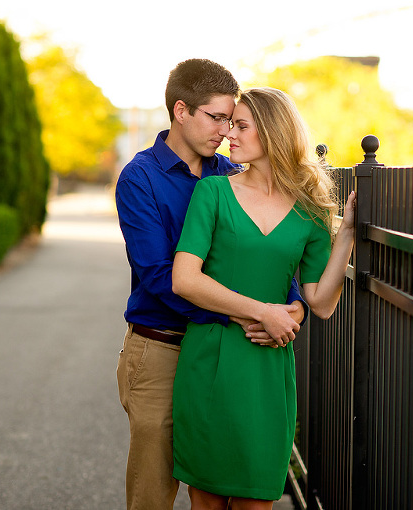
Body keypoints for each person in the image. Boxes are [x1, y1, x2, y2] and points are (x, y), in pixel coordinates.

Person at [115, 61, 307, 510]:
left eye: (231, 119)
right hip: (163, 348)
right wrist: (248, 314)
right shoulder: (139, 178)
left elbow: (265, 257)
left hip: (228, 353)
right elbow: (161, 277)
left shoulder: (229, 174)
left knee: (221, 482)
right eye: (216, 117)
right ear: (181, 111)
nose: (226, 130)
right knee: (155, 492)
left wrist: (292, 305)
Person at [171, 87, 356, 510]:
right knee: (208, 502)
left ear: (271, 132)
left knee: (258, 500)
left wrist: (345, 234)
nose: (228, 135)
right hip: (211, 363)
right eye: (228, 123)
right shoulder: (213, 193)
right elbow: (184, 279)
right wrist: (263, 311)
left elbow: (321, 302)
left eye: (240, 125)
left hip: (267, 372)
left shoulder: (309, 211)